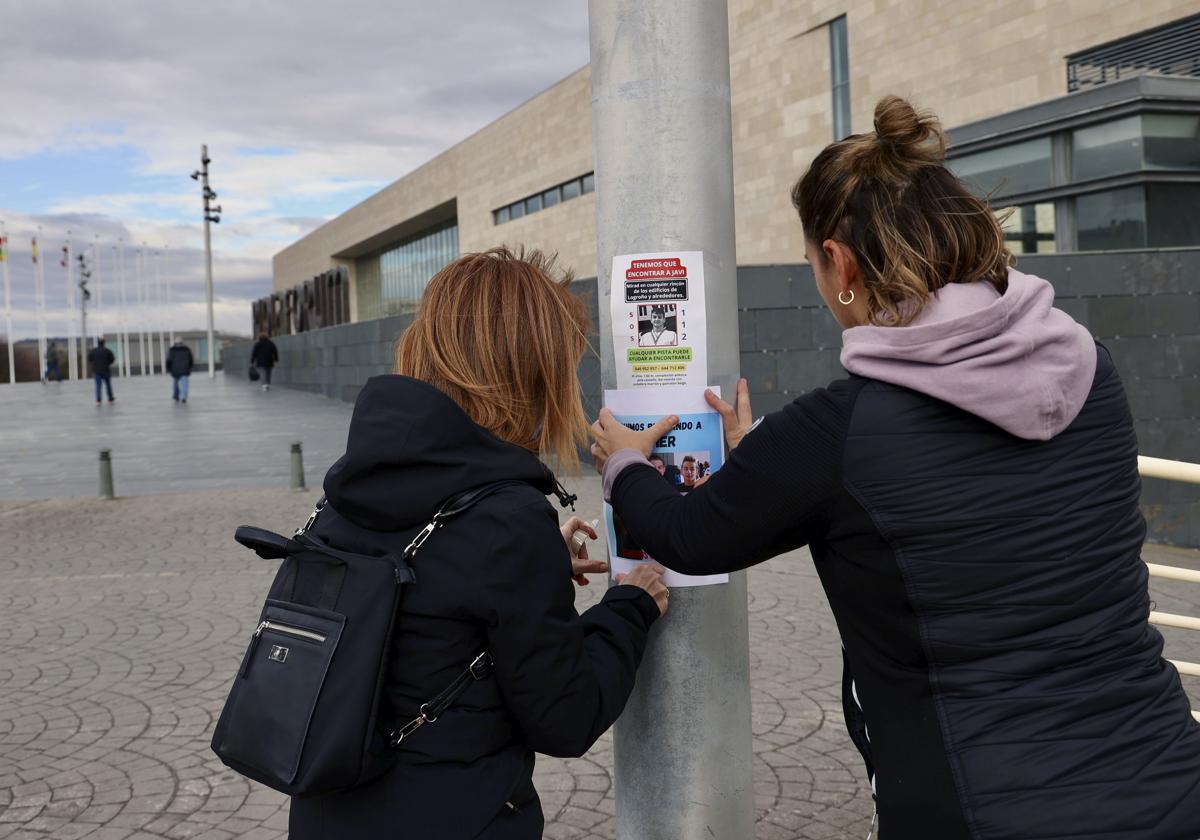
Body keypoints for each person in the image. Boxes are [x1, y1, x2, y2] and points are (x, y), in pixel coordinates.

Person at [591, 96, 1200, 839]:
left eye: (813, 262)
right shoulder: (1090, 371)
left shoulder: (837, 434)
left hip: (986, 813)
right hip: (1169, 781)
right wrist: (768, 468)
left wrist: (625, 463)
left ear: (840, 265)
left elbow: (686, 535)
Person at [288, 248, 668, 840]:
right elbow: (566, 717)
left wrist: (535, 569)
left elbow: (429, 601)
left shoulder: (353, 484)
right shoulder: (504, 519)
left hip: (329, 813)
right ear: (530, 370)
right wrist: (631, 605)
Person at [87, 339, 115, 404]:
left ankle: (98, 400)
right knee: (108, 385)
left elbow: (89, 359)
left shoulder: (93, 351)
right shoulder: (108, 351)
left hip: (97, 371)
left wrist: (94, 363)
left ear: (98, 343)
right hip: (106, 370)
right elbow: (112, 360)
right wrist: (107, 363)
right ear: (104, 343)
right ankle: (110, 399)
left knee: (98, 386)